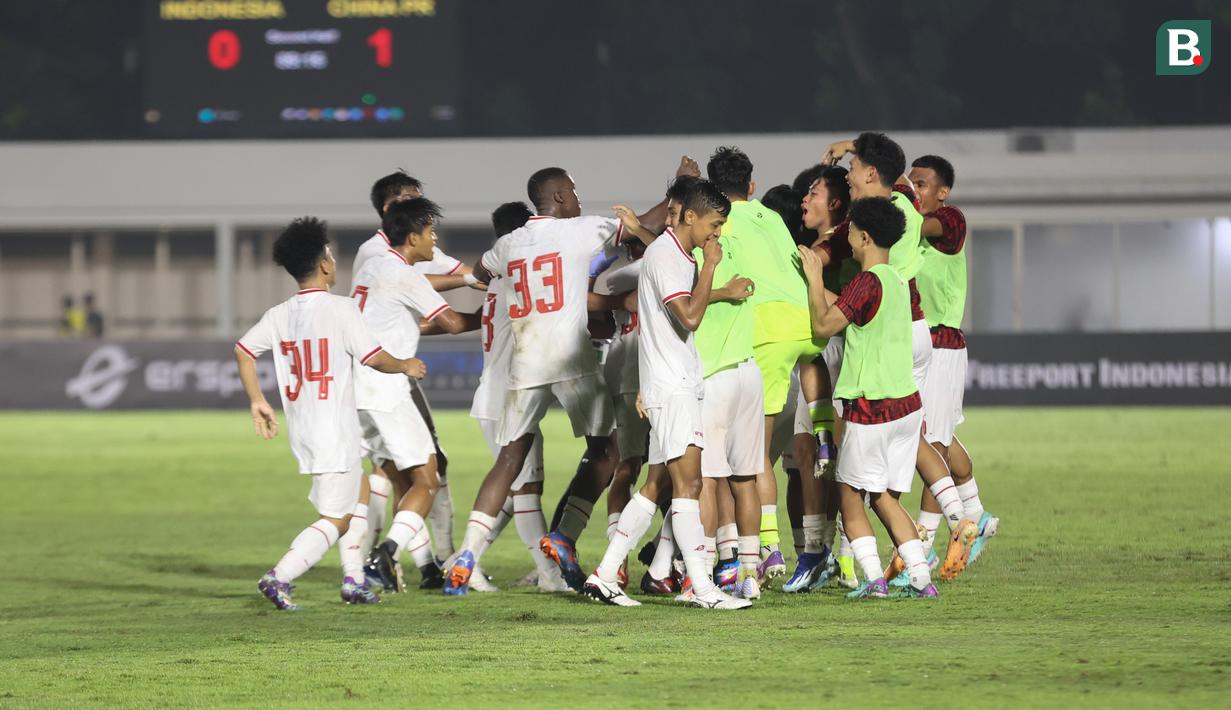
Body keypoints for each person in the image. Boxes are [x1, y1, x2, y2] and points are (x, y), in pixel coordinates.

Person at [441, 165, 662, 596]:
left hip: (525, 362)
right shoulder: (578, 229)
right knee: (607, 449)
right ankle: (564, 534)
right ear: (559, 197)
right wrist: (674, 189)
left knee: (510, 458)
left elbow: (481, 273)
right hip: (570, 358)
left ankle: (467, 554)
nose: (578, 199)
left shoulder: (509, 242)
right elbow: (644, 227)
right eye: (574, 192)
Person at [234, 216, 428, 610]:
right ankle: (279, 576)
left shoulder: (279, 314)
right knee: (336, 518)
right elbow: (374, 357)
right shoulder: (342, 309)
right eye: (331, 257)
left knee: (356, 493)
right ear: (324, 264)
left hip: (306, 426)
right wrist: (407, 364)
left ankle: (354, 579)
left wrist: (257, 399)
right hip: (333, 429)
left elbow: (243, 350)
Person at [580, 178, 751, 609]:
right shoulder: (672, 258)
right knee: (688, 484)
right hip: (672, 386)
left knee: (656, 483)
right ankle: (703, 589)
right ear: (690, 217)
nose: (717, 235)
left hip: (671, 382)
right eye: (713, 225)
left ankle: (604, 575)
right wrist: (712, 267)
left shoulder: (672, 253)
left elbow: (661, 322)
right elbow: (688, 318)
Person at [823, 133, 978, 581]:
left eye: (854, 170)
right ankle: (952, 518)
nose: (848, 177)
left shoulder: (889, 223)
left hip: (903, 324)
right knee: (917, 430)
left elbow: (828, 316)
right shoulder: (904, 206)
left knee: (891, 436)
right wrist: (853, 146)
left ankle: (878, 559)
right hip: (915, 324)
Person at [798, 197, 937, 599]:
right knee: (884, 498)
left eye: (851, 234)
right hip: (906, 407)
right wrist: (818, 287)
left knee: (849, 496)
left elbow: (824, 325)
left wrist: (811, 277)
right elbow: (844, 309)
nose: (849, 242)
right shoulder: (896, 280)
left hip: (871, 408)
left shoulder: (866, 282)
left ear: (864, 236)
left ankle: (875, 580)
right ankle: (921, 579)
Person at [705, 146, 825, 585]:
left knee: (753, 452)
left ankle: (769, 549)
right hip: (804, 323)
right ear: (751, 187)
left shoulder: (717, 224)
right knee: (777, 439)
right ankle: (825, 430)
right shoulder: (771, 217)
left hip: (767, 331)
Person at [354, 171, 476, 583]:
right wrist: (497, 315)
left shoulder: (374, 266)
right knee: (428, 479)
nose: (435, 239)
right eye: (430, 231)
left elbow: (401, 325)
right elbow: (454, 322)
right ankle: (383, 557)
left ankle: (419, 566)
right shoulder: (403, 273)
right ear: (410, 236)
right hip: (386, 388)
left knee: (396, 477)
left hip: (358, 390)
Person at [466, 200, 571, 593]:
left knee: (516, 494)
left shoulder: (498, 280)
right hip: (506, 399)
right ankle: (549, 576)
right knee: (525, 492)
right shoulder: (518, 280)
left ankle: (467, 559)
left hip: (499, 395)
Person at [909, 154, 999, 568]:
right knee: (935, 437)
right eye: (912, 182)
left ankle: (923, 545)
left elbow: (920, 224)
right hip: (921, 346)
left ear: (942, 193)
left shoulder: (950, 221)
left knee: (933, 443)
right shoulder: (910, 233)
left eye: (922, 183)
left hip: (942, 344)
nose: (915, 189)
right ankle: (976, 515)